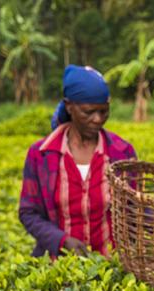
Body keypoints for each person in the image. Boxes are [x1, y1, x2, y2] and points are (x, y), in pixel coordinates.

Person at [19, 65, 137, 258]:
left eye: (104, 111)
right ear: (69, 106)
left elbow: (136, 208)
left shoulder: (122, 153)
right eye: (88, 112)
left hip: (111, 268)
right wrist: (62, 241)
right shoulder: (41, 155)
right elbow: (28, 212)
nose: (97, 119)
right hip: (59, 269)